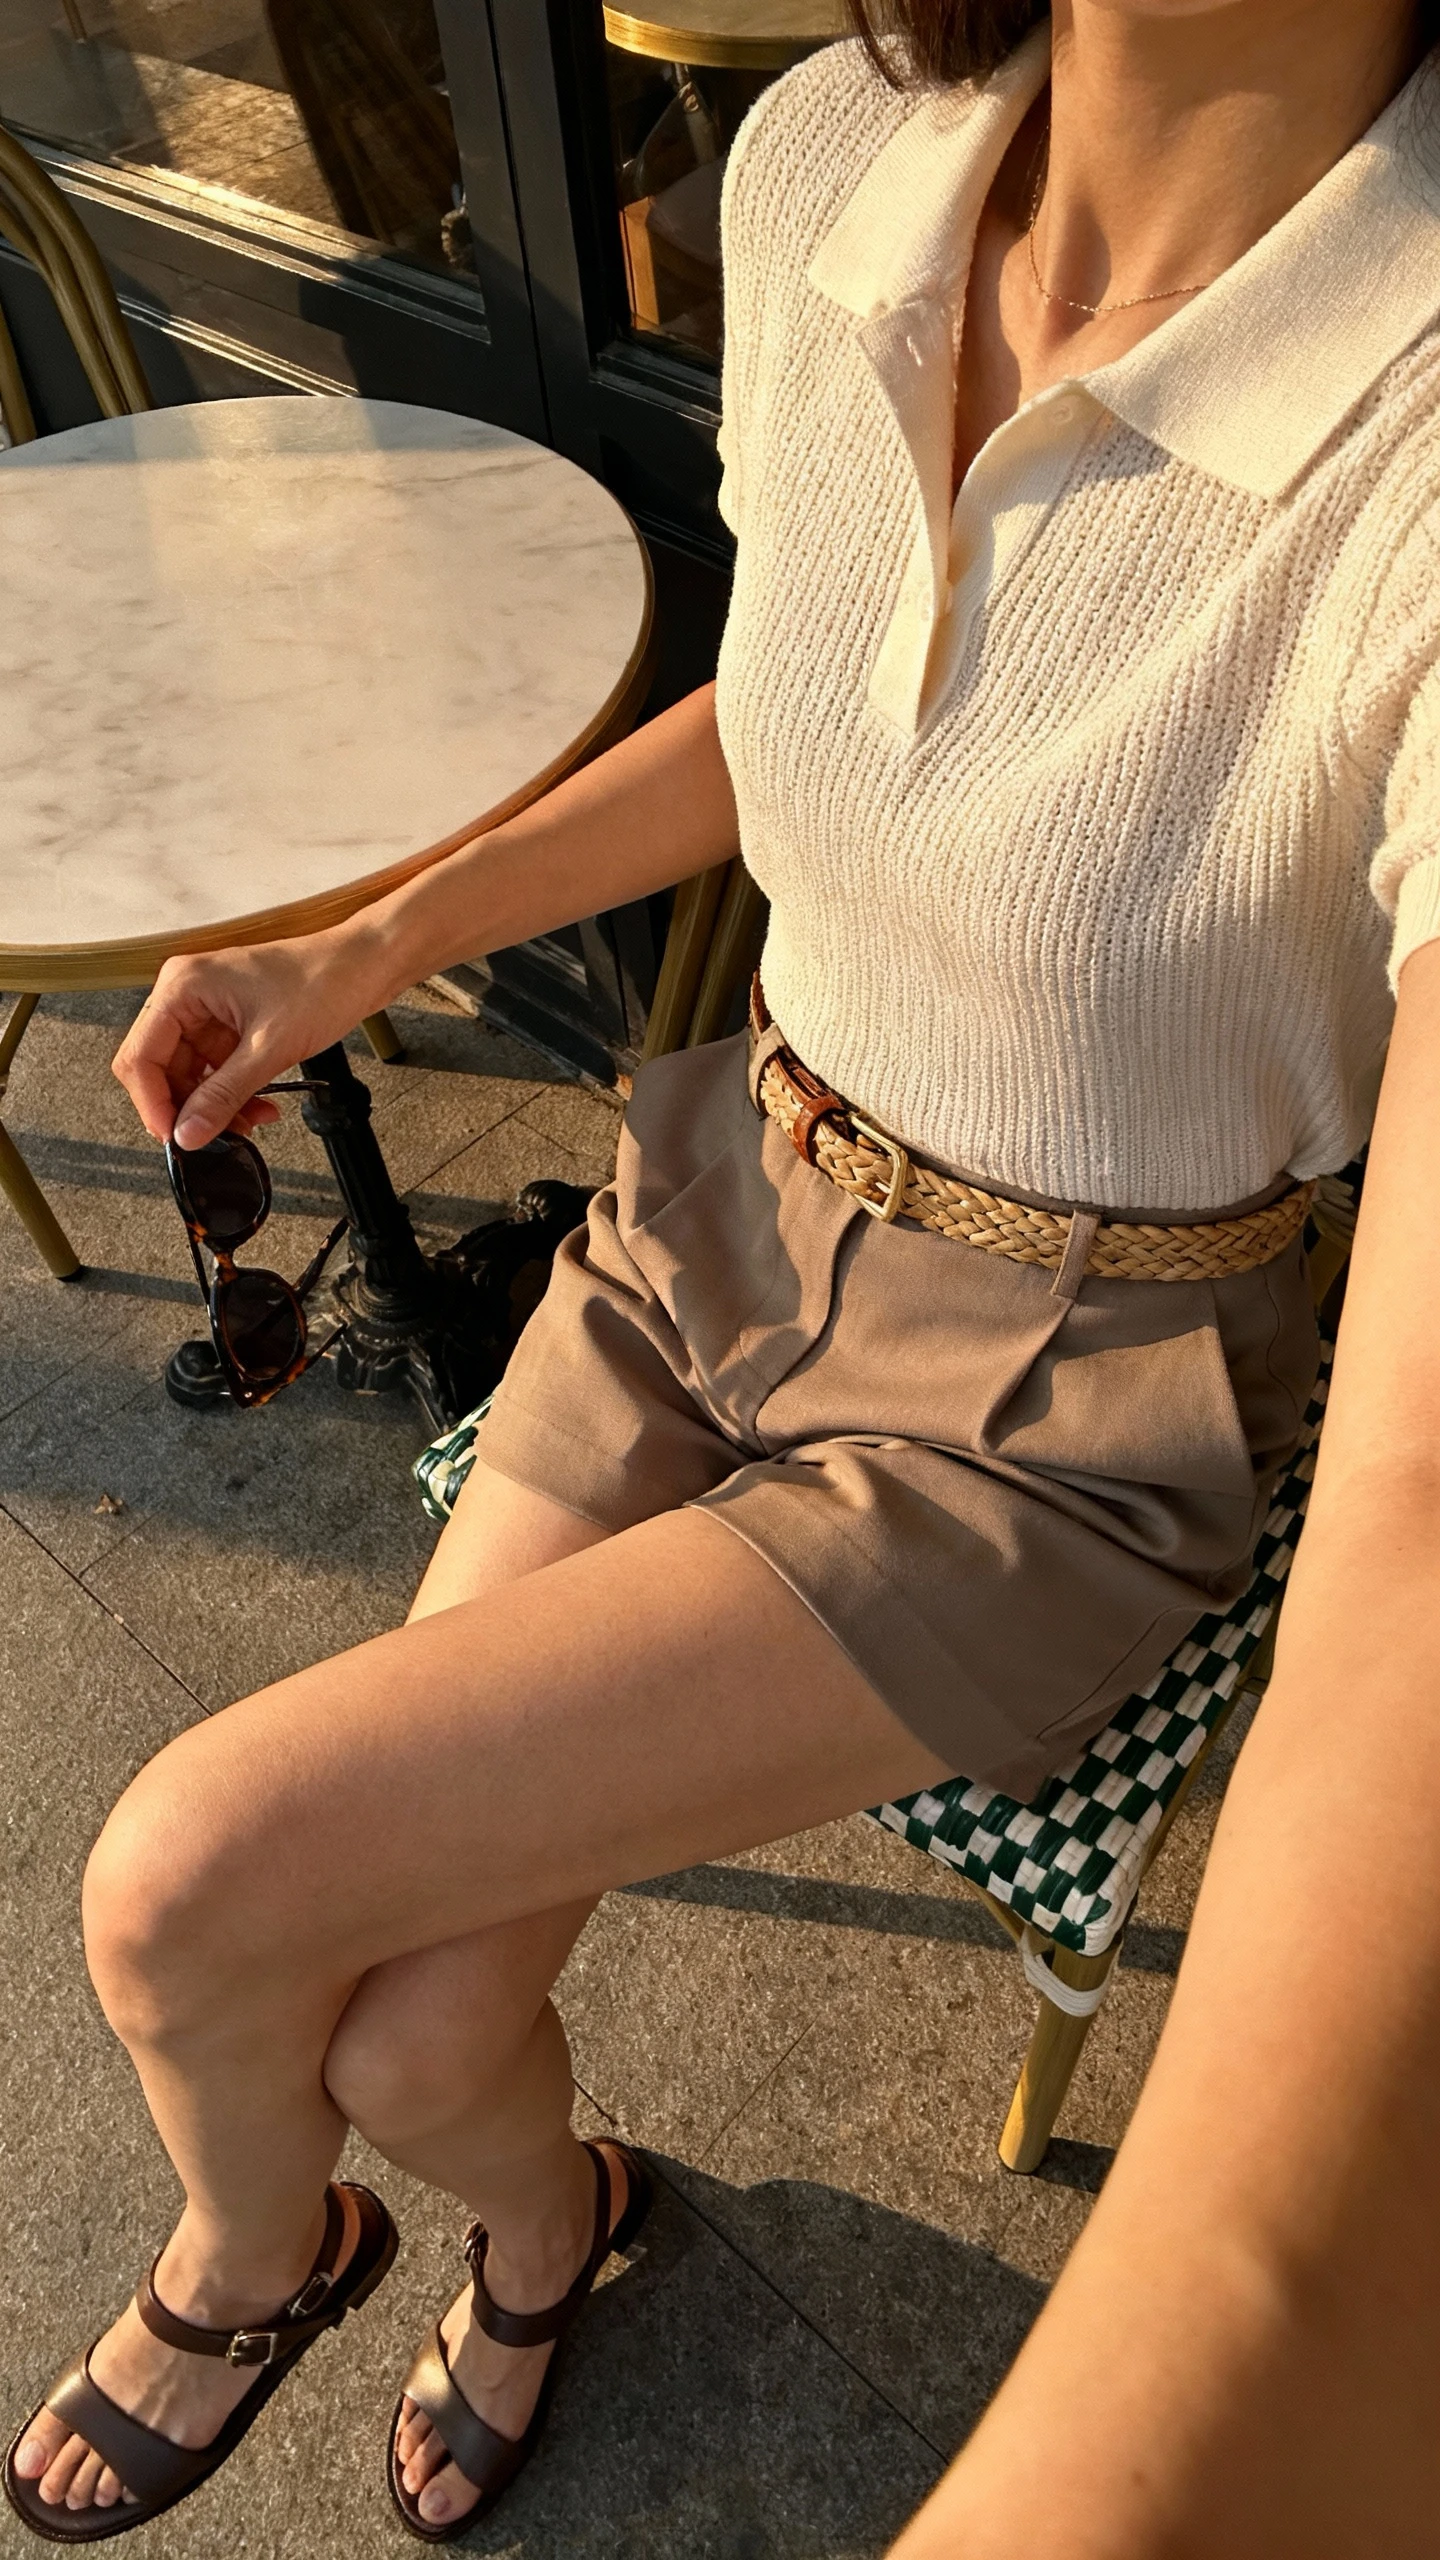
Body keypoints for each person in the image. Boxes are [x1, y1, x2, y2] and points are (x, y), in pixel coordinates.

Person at [7, 0, 1440, 2545]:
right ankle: (550, 2229)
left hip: (1057, 1408)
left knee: (184, 1880)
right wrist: (372, 947)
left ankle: (251, 2249)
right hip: (720, 1204)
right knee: (437, 2024)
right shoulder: (832, 170)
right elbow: (797, 715)